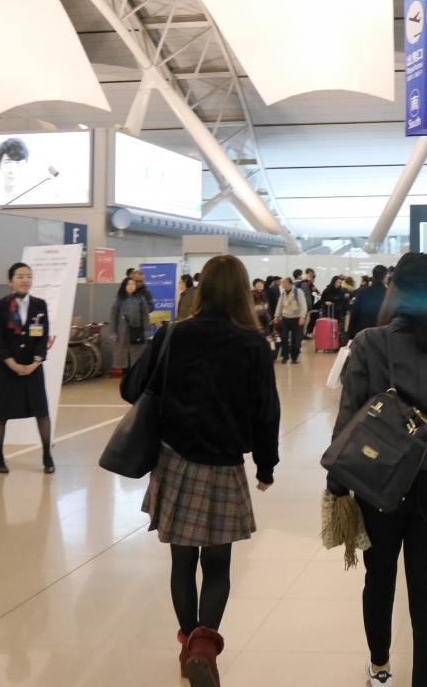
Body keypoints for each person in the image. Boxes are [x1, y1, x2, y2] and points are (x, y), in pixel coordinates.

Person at [121, 254, 280, 683]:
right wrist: (266, 466)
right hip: (224, 465)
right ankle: (205, 648)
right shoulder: (253, 344)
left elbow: (131, 388)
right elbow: (267, 412)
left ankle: (190, 646)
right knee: (217, 565)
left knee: (181, 562)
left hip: (175, 462)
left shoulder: (173, 334)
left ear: (202, 288)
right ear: (243, 292)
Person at [329, 253, 427, 687]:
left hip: (379, 480)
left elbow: (349, 418)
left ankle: (380, 669)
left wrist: (337, 486)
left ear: (395, 291)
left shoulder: (369, 342)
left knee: (380, 576)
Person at [0, 262, 54, 474]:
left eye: (28, 276)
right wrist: (13, 364)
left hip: (32, 368)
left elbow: (43, 337)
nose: (25, 280)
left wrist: (36, 362)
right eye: (20, 276)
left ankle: (47, 456)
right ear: (10, 281)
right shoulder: (0, 306)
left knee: (41, 412)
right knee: (1, 414)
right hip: (6, 369)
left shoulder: (39, 305)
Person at [110, 277, 151, 378]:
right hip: (122, 333)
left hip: (137, 332)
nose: (131, 286)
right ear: (124, 286)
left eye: (133, 284)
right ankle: (126, 378)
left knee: (137, 358)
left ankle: (135, 380)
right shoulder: (118, 301)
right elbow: (113, 317)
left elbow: (145, 316)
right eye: (128, 284)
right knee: (124, 358)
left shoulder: (141, 300)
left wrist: (146, 331)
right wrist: (113, 332)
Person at [348, 265, 389, 339]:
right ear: (385, 278)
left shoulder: (362, 292)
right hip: (382, 334)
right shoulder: (388, 294)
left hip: (363, 333)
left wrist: (350, 335)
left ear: (373, 277)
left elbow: (354, 314)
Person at [272, 276, 306, 364]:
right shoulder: (283, 293)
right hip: (285, 318)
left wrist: (302, 317)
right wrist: (276, 316)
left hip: (296, 318)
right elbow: (279, 305)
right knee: (284, 337)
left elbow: (303, 305)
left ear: (288, 283)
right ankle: (285, 357)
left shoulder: (297, 292)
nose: (282, 284)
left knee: (295, 338)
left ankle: (294, 357)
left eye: (283, 282)